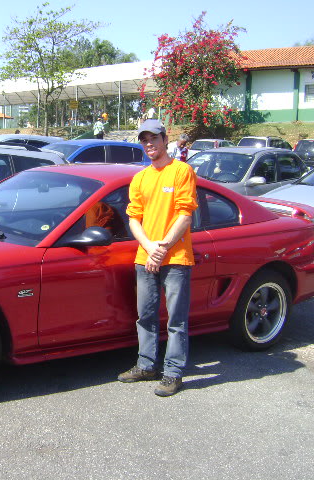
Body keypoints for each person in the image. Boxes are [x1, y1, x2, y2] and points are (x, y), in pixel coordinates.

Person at [118, 119, 198, 397]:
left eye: (154, 138)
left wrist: (162, 248)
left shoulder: (182, 171)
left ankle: (173, 373)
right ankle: (147, 365)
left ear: (166, 139)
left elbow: (184, 214)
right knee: (146, 316)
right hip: (145, 256)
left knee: (176, 321)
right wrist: (150, 248)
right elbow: (133, 219)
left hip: (175, 258)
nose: (149, 144)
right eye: (144, 140)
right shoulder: (140, 178)